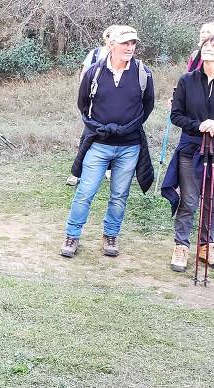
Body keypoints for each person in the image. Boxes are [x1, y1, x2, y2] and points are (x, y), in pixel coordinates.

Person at [61, 26, 155, 258]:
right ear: (111, 45)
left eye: (133, 43)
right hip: (98, 143)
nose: (130, 48)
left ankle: (110, 236)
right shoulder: (94, 72)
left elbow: (147, 106)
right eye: (125, 43)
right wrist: (100, 128)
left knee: (119, 195)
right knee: (85, 192)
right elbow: (83, 104)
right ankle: (72, 237)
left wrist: (126, 128)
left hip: (130, 146)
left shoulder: (144, 73)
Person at [162, 34, 214, 273]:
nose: (208, 49)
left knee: (211, 201)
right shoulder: (187, 81)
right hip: (191, 149)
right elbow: (176, 115)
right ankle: (181, 246)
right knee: (189, 200)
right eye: (205, 45)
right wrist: (197, 125)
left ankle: (206, 246)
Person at [68, 25, 118, 186]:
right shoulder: (96, 53)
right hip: (94, 105)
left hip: (115, 105)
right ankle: (77, 172)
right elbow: (84, 76)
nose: (113, 40)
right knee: (87, 137)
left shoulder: (124, 56)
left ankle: (109, 170)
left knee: (113, 135)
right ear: (106, 38)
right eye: (111, 36)